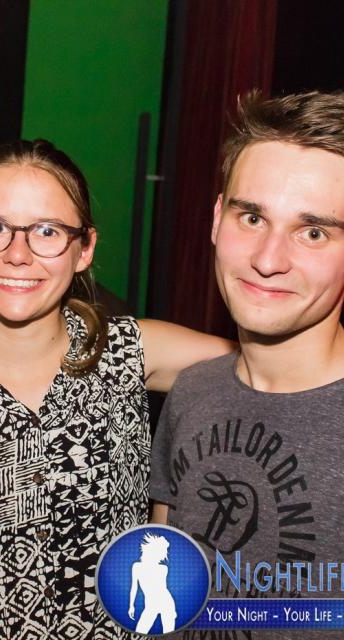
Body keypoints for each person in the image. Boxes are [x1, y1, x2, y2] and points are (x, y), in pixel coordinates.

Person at [0, 139, 233, 639]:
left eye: (47, 231)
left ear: (84, 249)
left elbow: (280, 365)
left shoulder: (127, 352)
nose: (17, 254)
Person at [150, 91, 344, 639]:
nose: (267, 259)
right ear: (217, 219)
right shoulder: (192, 392)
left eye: (313, 232)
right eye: (252, 217)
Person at [128, 533, 176, 634]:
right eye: (163, 552)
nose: (164, 555)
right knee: (140, 631)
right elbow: (134, 587)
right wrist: (131, 605)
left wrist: (172, 611)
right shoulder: (136, 567)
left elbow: (163, 589)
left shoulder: (163, 569)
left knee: (168, 634)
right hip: (150, 605)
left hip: (166, 603)